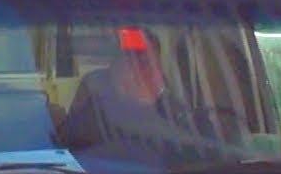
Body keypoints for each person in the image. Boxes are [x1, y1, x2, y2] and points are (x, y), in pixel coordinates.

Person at [57, 27, 208, 163]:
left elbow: (204, 158)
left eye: (147, 64)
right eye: (131, 64)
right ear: (114, 70)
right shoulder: (92, 116)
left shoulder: (177, 113)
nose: (142, 74)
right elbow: (64, 161)